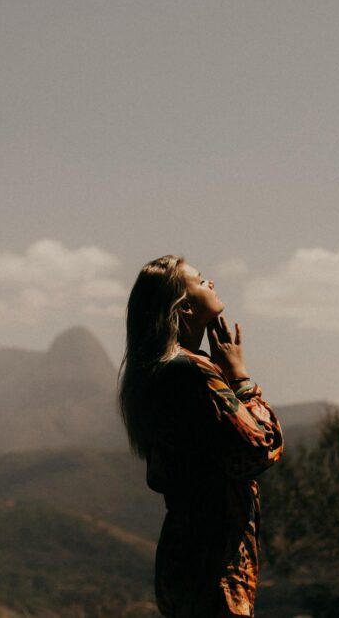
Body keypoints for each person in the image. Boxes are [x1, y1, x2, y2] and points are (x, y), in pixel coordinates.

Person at [118, 255, 284, 617]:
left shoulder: (159, 373)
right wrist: (241, 379)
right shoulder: (191, 373)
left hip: (185, 556)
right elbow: (260, 448)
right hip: (214, 560)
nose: (210, 282)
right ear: (185, 306)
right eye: (200, 280)